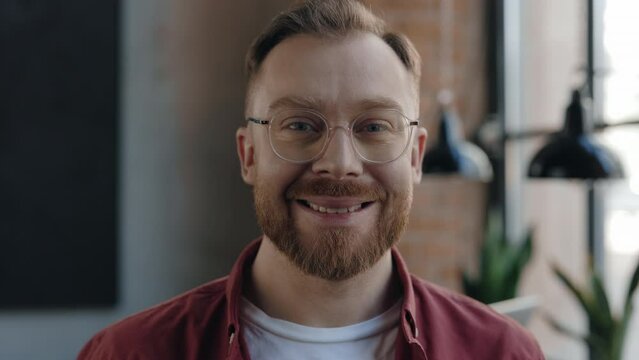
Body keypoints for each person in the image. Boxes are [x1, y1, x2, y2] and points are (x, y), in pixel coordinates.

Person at [79, 0, 544, 359]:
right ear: (248, 155)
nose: (339, 163)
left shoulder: (501, 353)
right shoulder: (129, 353)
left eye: (374, 127)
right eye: (300, 125)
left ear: (416, 157)